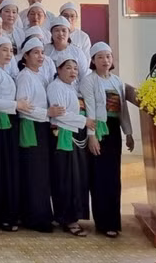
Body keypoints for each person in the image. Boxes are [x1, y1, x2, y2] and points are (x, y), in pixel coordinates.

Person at [81, 42, 134, 238]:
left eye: (108, 57)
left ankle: (113, 221)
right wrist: (91, 136)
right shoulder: (89, 81)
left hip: (113, 132)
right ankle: (102, 222)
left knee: (114, 178)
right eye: (100, 57)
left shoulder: (117, 81)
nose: (105, 60)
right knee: (99, 178)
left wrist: (128, 133)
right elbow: (89, 108)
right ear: (93, 60)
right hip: (98, 130)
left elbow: (122, 110)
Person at [0, 36, 31, 232]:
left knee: (8, 169)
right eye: (4, 50)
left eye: (11, 50)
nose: (8, 54)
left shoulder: (2, 70)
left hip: (8, 122)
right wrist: (15, 105)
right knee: (0, 170)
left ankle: (8, 213)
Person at [15, 38, 58, 233]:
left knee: (42, 174)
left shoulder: (39, 75)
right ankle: (34, 217)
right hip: (31, 126)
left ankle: (42, 214)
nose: (41, 56)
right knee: (33, 173)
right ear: (25, 56)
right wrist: (46, 113)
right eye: (35, 53)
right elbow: (23, 108)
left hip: (41, 126)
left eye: (42, 52)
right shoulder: (24, 76)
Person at [48, 54, 90, 237]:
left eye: (75, 68)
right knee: (66, 178)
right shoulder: (55, 87)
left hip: (75, 135)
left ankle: (72, 216)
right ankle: (68, 219)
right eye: (68, 68)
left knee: (76, 178)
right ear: (58, 70)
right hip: (64, 136)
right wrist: (85, 121)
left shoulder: (72, 87)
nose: (73, 71)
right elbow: (59, 115)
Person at [45, 17, 90, 83]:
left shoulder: (77, 52)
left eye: (64, 30)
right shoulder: (45, 50)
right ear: (51, 33)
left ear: (69, 34)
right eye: (57, 30)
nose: (60, 33)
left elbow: (84, 75)